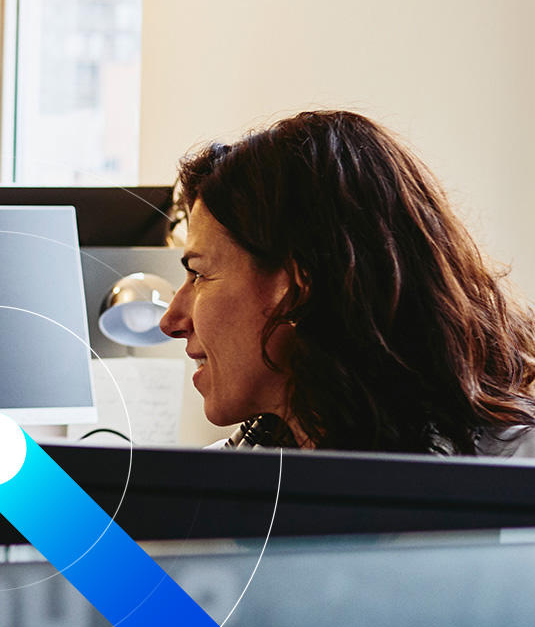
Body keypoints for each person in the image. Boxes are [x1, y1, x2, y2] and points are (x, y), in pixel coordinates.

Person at [158, 109, 535, 455]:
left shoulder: (517, 470)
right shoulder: (229, 473)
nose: (170, 321)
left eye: (199, 274)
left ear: (295, 287)